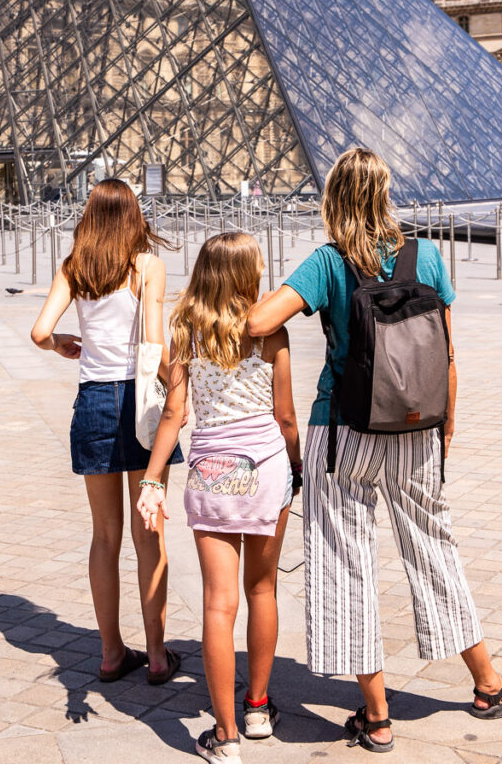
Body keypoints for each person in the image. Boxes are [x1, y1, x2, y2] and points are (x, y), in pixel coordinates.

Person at [247, 148, 502, 753]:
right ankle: (488, 683)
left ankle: (377, 716)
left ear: (334, 199)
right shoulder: (425, 254)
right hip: (417, 428)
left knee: (346, 566)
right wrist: (446, 426)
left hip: (344, 431)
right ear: (384, 195)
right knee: (436, 552)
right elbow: (449, 354)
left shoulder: (328, 263)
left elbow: (258, 322)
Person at [137, 233, 301, 763]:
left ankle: (224, 736)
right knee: (262, 590)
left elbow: (173, 414)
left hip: (210, 471)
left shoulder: (185, 332)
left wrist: (152, 478)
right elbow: (285, 415)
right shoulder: (270, 333)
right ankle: (257, 707)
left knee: (217, 602)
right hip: (265, 469)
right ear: (250, 274)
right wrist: (297, 465)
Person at [31, 179, 183, 685]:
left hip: (94, 401)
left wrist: (61, 345)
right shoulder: (147, 266)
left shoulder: (76, 266)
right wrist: (184, 389)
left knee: (104, 537)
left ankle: (111, 652)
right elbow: (156, 346)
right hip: (140, 403)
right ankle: (158, 655)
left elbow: (39, 332)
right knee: (149, 533)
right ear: (133, 215)